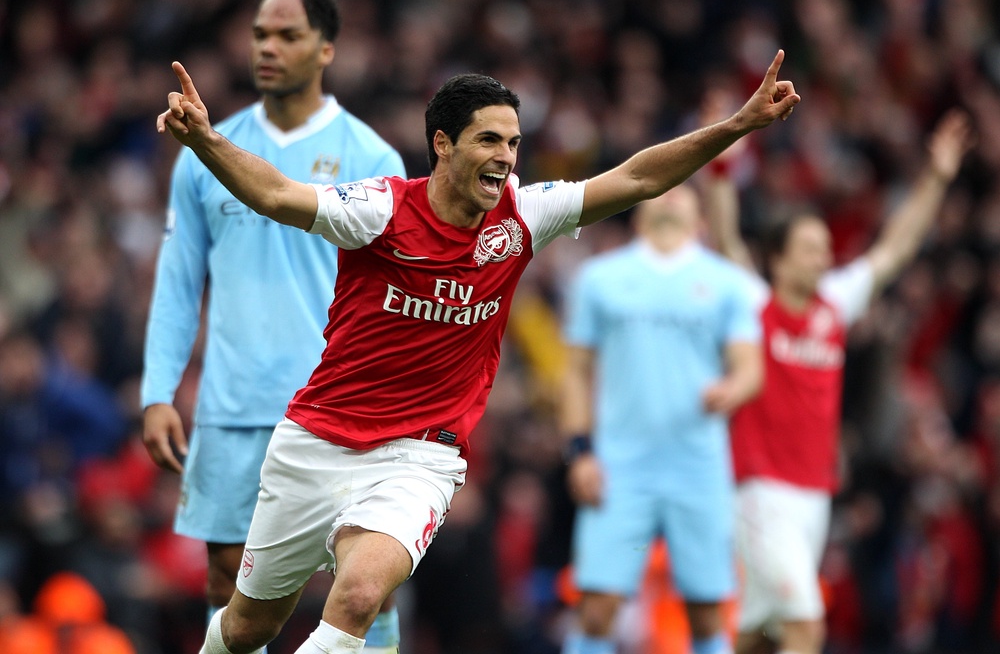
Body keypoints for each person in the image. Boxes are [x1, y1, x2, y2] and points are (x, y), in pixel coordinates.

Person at [155, 46, 800, 654]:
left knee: (355, 595)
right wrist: (207, 142)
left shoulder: (524, 216)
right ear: (443, 144)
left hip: (419, 457)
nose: (506, 157)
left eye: (514, 143)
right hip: (316, 442)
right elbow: (273, 193)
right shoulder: (380, 211)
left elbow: (635, 177)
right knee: (245, 628)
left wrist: (738, 125)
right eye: (490, 140)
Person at [139, 0, 406, 654]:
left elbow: (400, 296)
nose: (269, 47)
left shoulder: (371, 155)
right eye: (261, 34)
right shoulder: (206, 149)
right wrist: (158, 392)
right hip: (233, 406)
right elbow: (178, 279)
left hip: (341, 409)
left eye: (289, 35)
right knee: (229, 585)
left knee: (362, 590)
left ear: (326, 50)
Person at [701, 108, 975, 654]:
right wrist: (721, 168)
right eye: (809, 249)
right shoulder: (756, 305)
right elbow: (728, 235)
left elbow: (894, 250)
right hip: (758, 487)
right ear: (776, 260)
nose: (823, 256)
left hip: (814, 494)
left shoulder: (834, 307)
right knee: (805, 626)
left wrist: (935, 180)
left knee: (759, 635)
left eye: (825, 247)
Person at [559, 184, 763, 654]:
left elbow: (750, 368)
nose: (672, 196)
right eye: (664, 189)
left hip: (698, 466)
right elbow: (575, 373)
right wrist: (579, 452)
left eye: (686, 189)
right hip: (619, 466)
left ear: (701, 222)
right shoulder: (599, 278)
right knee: (596, 609)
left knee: (709, 612)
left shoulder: (726, 282)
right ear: (636, 217)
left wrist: (731, 388)